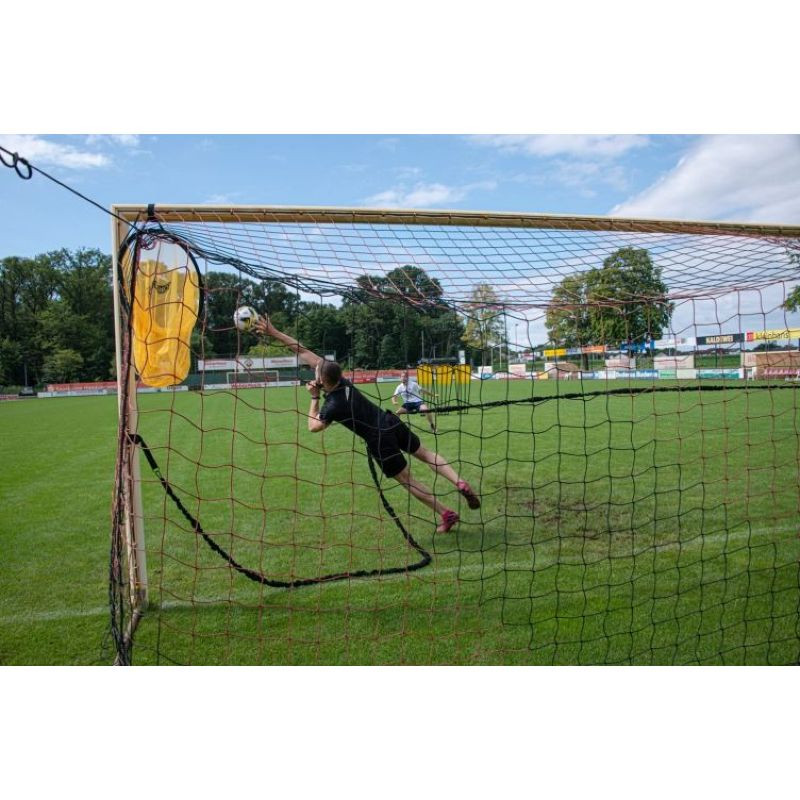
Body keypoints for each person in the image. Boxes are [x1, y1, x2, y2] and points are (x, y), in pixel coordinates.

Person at [254, 315, 480, 533]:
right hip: (390, 421)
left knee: (407, 480)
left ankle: (446, 513)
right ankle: (459, 481)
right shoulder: (342, 381)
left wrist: (314, 397)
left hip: (379, 439)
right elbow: (302, 350)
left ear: (322, 379)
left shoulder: (332, 404)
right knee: (427, 454)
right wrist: (273, 332)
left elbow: (313, 427)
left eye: (316, 372)